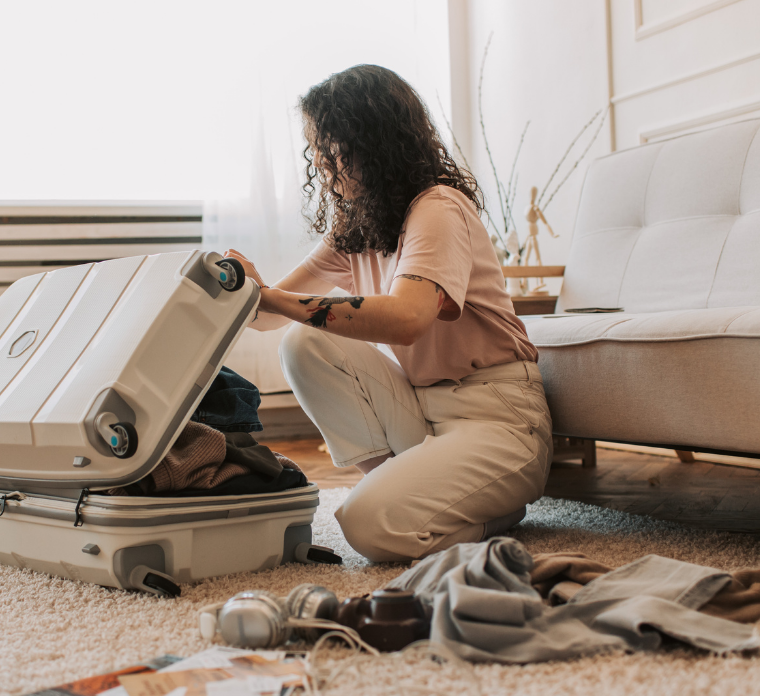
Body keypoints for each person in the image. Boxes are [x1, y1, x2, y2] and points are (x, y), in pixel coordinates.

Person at [224, 64, 552, 563]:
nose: (323, 165)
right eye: (318, 151)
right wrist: (240, 288)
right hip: (421, 410)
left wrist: (271, 298)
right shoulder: (357, 230)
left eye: (332, 150)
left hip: (498, 416)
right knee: (303, 340)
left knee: (368, 527)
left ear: (374, 145)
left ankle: (486, 514)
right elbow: (270, 316)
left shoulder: (439, 207)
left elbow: (408, 318)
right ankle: (405, 489)